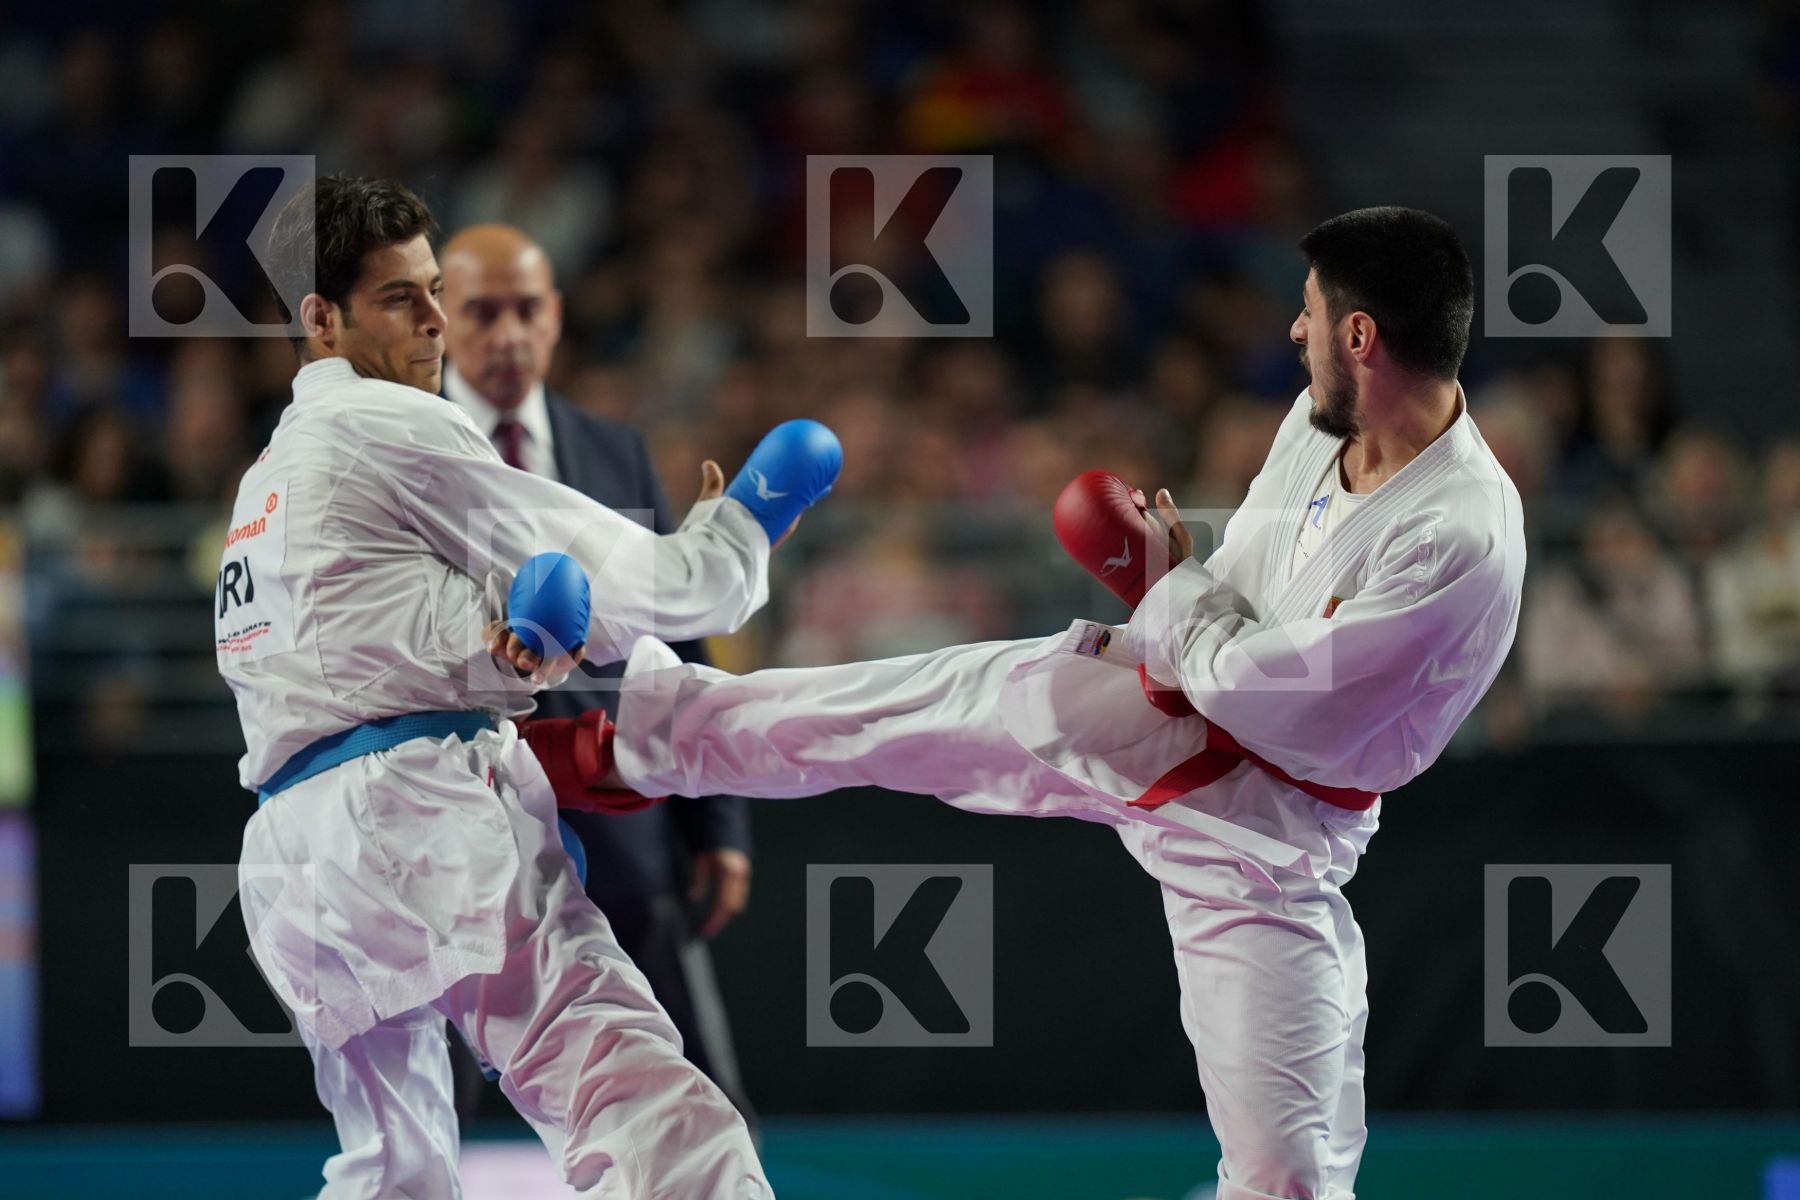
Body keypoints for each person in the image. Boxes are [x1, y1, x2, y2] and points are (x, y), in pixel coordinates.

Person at [559, 208, 1526, 1200]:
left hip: (1266, 839)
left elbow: (1262, 695)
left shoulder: (1455, 538)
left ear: (1360, 337)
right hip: (1143, 709)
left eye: (1310, 313)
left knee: (1288, 1176)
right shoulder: (1318, 424)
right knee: (886, 709)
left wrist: (1159, 580)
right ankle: (616, 746)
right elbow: (1234, 597)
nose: (1294, 330)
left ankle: (635, 743)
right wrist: (1176, 592)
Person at [214, 175, 832, 1199]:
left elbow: (367, 642)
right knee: (645, 1107)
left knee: (393, 1173)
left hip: (296, 863)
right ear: (321, 320)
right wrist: (736, 538)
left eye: (433, 291)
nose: (435, 320)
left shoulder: (265, 484)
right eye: (399, 298)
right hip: (415, 821)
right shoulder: (389, 421)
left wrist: (507, 650)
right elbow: (627, 581)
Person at [437, 222, 757, 1126]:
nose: (508, 335)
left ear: (556, 315)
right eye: (482, 312)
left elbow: (680, 641)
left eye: (526, 310)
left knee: (697, 1085)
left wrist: (719, 823)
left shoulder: (614, 451)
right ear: (439, 320)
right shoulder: (410, 455)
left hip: (621, 821)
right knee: (432, 1103)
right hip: (457, 809)